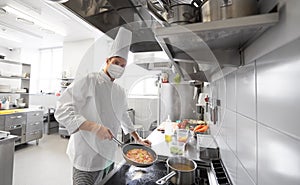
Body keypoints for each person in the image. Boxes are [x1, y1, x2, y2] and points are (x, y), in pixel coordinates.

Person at [54, 27, 151, 185]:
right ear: (107, 61)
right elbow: (62, 110)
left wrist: (137, 138)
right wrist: (94, 127)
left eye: (122, 65)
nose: (118, 67)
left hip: (109, 154)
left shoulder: (119, 91)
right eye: (116, 62)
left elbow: (123, 116)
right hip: (86, 156)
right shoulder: (89, 81)